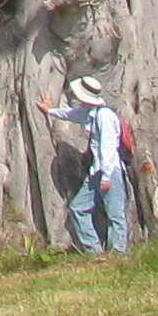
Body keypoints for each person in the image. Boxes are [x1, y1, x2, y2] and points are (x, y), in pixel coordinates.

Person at [43, 74, 137, 256]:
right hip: (96, 173)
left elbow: (108, 148)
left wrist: (107, 176)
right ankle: (94, 250)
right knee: (78, 208)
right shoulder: (89, 113)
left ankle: (119, 253)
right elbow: (71, 114)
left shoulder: (105, 116)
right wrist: (49, 111)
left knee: (115, 214)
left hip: (109, 172)